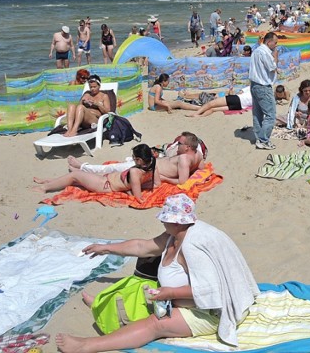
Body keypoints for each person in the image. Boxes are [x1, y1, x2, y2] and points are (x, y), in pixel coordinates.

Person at [55, 193, 259, 353]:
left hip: (208, 313)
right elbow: (141, 246)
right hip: (178, 301)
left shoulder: (192, 248)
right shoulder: (175, 234)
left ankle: (87, 346)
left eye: (165, 219)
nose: (162, 222)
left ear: (177, 221)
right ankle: (102, 305)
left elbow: (210, 289)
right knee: (139, 280)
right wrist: (106, 248)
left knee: (155, 324)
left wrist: (168, 294)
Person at [67, 132, 205, 185]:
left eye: (179, 144)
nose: (177, 145)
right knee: (121, 165)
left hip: (147, 169)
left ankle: (82, 167)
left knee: (112, 169)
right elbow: (201, 168)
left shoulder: (184, 159)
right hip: (152, 164)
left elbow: (182, 181)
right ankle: (83, 170)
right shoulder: (198, 155)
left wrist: (163, 178)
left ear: (187, 147)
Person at [32, 144, 160, 200]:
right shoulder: (153, 164)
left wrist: (131, 187)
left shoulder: (135, 172)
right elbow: (157, 184)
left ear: (138, 159)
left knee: (74, 175)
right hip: (107, 180)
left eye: (133, 158)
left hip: (105, 184)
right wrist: (134, 185)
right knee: (75, 180)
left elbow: (137, 197)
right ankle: (49, 181)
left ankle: (44, 187)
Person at [249, 32, 278, 150]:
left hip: (254, 85)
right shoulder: (265, 52)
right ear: (268, 41)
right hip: (263, 86)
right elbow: (272, 67)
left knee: (257, 114)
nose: (276, 45)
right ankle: (263, 139)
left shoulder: (256, 51)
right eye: (275, 42)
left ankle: (259, 137)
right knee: (270, 115)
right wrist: (275, 55)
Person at [187, 86, 252, 117]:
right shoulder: (260, 94)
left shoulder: (252, 87)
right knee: (213, 109)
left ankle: (196, 114)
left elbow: (240, 93)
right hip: (240, 106)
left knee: (210, 104)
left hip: (237, 98)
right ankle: (201, 116)